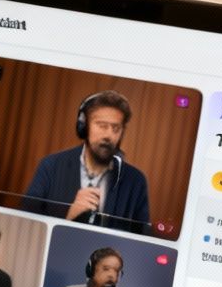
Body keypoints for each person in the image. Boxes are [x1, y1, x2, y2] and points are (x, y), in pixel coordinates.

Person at [21, 89, 152, 232]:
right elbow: (25, 225)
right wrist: (67, 217)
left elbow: (142, 238)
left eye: (116, 128)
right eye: (102, 126)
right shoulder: (51, 166)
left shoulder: (136, 181)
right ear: (84, 126)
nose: (109, 135)